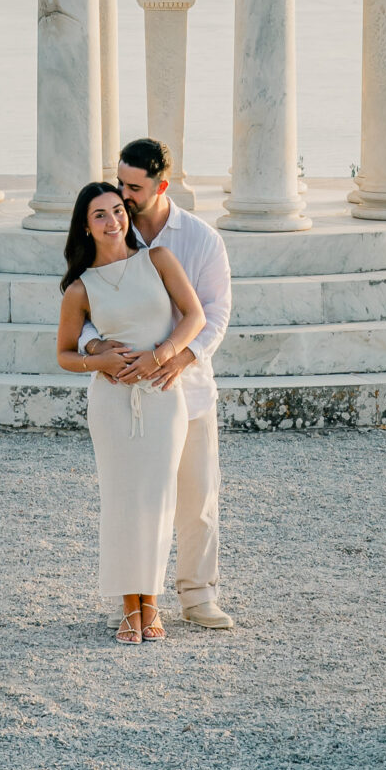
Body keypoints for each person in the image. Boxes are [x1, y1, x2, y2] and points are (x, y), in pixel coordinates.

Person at [81, 136, 236, 629]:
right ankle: (141, 607)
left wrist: (175, 357)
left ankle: (198, 596)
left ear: (161, 185)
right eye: (119, 183)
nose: (121, 196)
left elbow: (214, 314)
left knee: (197, 498)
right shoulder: (106, 234)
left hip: (185, 387)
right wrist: (94, 348)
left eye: (133, 187)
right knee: (136, 498)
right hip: (125, 391)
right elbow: (85, 302)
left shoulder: (200, 239)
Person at [55, 180, 206, 644]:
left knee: (158, 501)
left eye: (118, 210)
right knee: (121, 502)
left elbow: (195, 316)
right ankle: (128, 608)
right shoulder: (80, 288)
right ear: (85, 226)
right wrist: (98, 360)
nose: (113, 220)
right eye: (100, 214)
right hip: (112, 404)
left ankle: (153, 604)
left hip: (162, 397)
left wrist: (160, 356)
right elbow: (63, 353)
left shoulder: (157, 259)